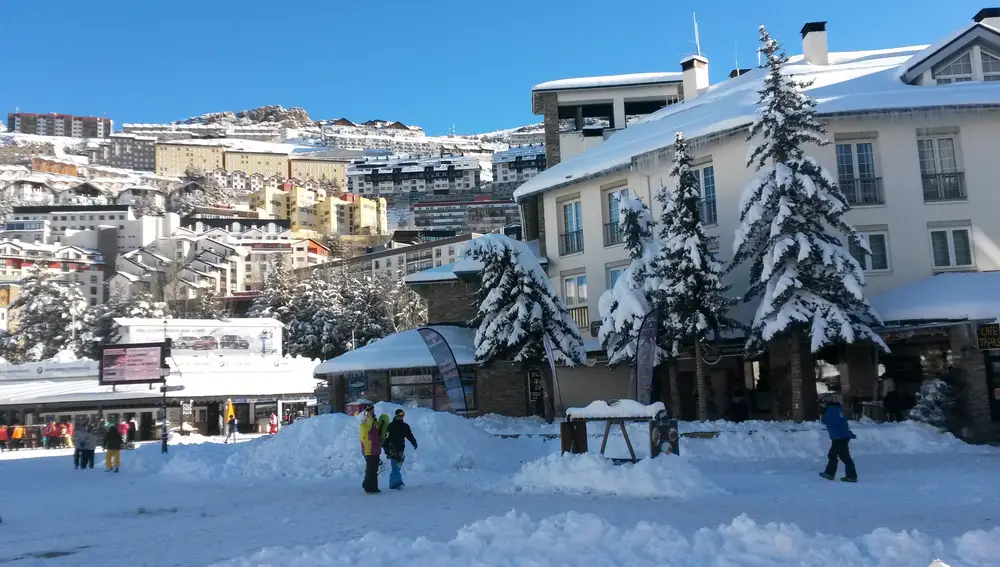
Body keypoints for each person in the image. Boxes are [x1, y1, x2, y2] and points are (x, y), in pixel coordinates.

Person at [819, 399, 857, 483]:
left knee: (841, 456)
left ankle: (850, 476)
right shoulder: (838, 411)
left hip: (838, 437)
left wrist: (823, 415)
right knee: (835, 455)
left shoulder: (831, 411)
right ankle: (830, 473)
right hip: (842, 436)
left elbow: (825, 421)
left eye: (823, 405)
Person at [384, 409, 418, 490]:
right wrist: (386, 450)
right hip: (393, 449)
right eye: (399, 415)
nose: (401, 417)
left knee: (398, 467)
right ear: (396, 415)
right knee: (395, 467)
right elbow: (386, 438)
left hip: (401, 449)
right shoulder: (391, 426)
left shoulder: (405, 426)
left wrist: (414, 442)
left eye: (402, 415)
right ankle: (395, 484)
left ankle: (397, 482)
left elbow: (409, 435)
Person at [359, 405, 382, 494]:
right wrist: (370, 417)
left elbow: (378, 428)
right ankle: (367, 486)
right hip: (368, 450)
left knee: (375, 470)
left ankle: (374, 487)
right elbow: (368, 426)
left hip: (376, 449)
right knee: (370, 470)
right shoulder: (363, 426)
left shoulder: (372, 425)